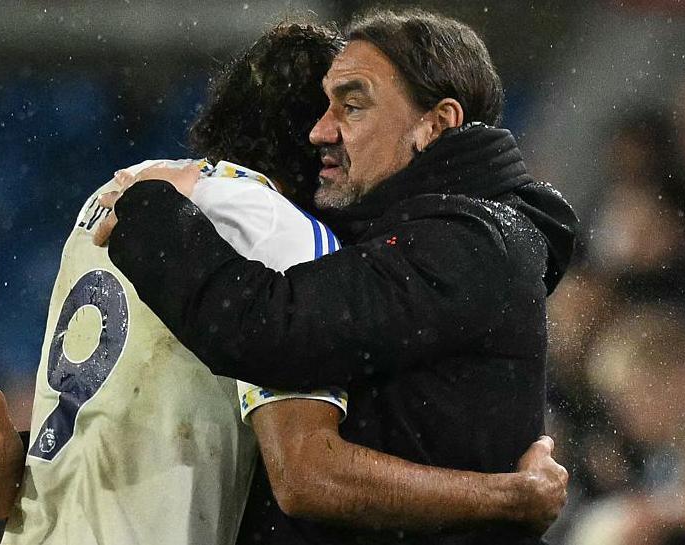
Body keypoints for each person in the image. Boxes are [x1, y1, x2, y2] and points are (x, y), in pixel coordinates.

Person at [98, 8, 578, 545]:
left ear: (435, 124)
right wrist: (35, 457)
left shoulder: (472, 243)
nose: (319, 131)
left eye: (352, 106)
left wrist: (155, 212)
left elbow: (269, 333)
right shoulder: (408, 234)